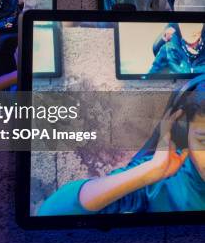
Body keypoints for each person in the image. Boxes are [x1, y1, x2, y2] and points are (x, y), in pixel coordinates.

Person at [38, 76, 205, 215]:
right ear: (183, 134)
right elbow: (51, 212)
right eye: (203, 141)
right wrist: (149, 171)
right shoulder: (161, 181)